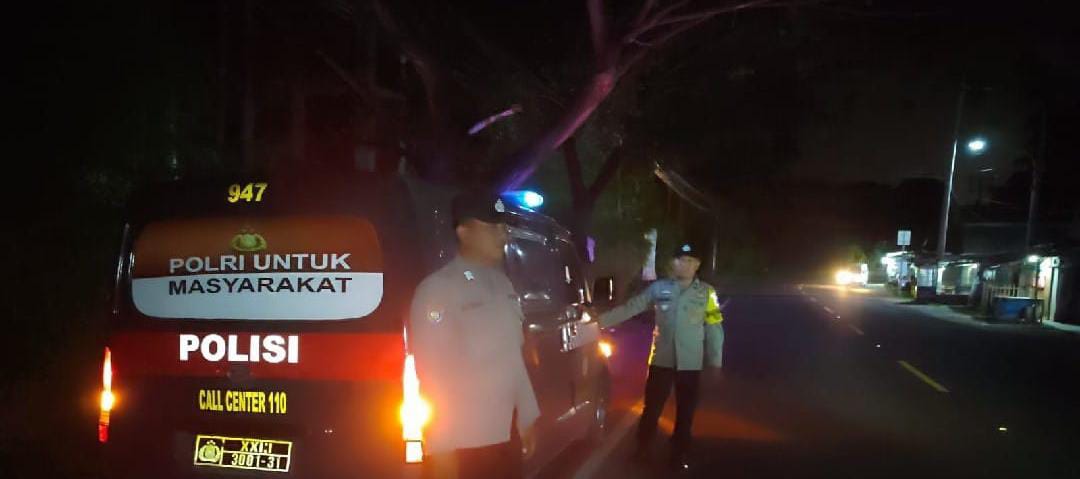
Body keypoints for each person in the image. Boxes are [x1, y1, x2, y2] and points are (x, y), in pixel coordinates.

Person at [408, 191, 540, 479]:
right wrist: (441, 452)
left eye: (503, 227)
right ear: (464, 232)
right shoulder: (437, 290)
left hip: (505, 437)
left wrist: (526, 416)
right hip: (466, 447)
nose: (503, 235)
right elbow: (432, 378)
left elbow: (512, 358)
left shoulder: (503, 285)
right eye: (492, 227)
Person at [599, 242, 725, 470]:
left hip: (690, 363)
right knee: (652, 408)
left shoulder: (707, 293)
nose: (684, 265)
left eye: (689, 261)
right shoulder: (659, 289)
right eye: (680, 260)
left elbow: (715, 328)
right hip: (661, 361)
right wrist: (599, 321)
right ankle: (642, 449)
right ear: (673, 263)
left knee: (685, 412)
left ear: (697, 265)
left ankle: (678, 455)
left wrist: (715, 362)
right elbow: (632, 307)